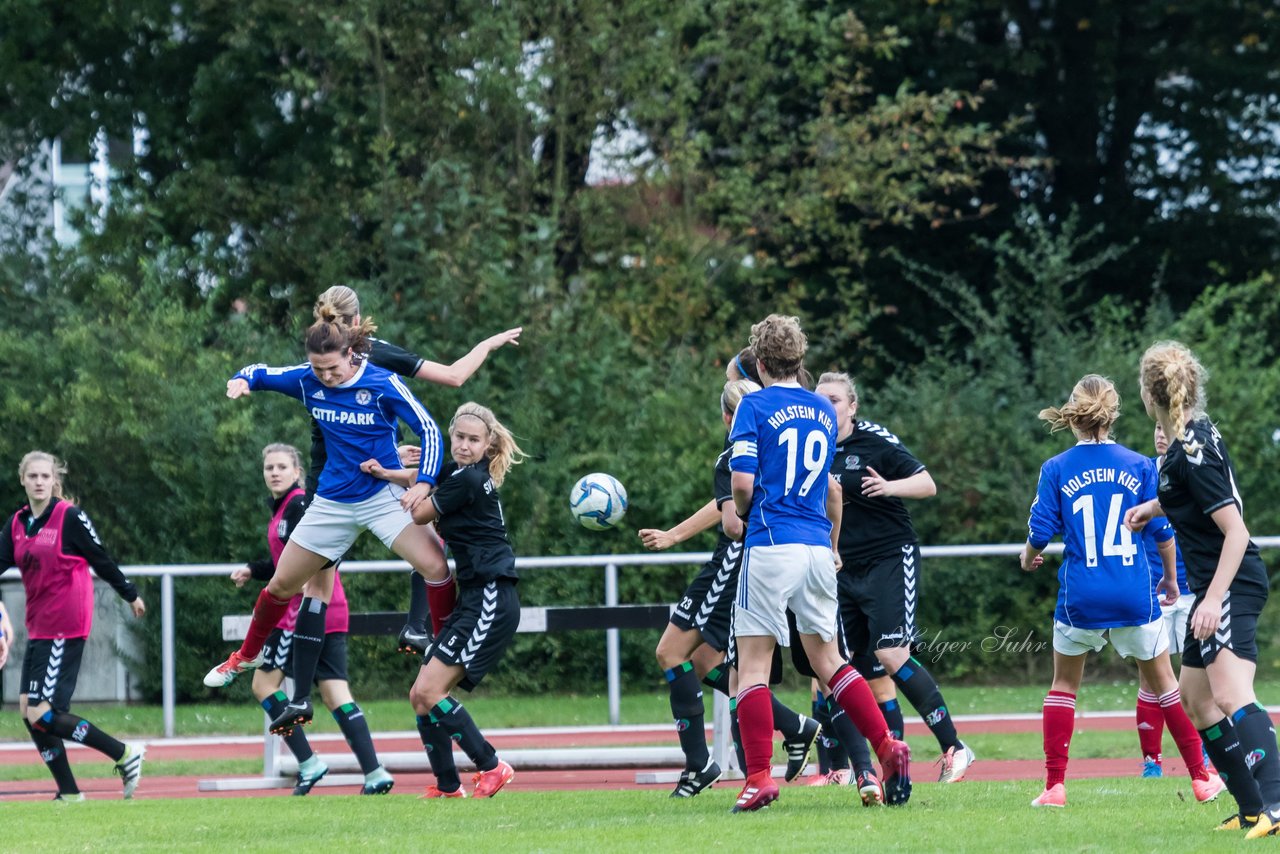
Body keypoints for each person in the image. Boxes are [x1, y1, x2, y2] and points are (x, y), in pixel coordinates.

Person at [203, 305, 450, 743]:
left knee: (436, 566)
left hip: (380, 495)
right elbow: (262, 372)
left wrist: (424, 482)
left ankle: (446, 647)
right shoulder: (308, 379)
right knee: (281, 587)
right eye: (318, 369)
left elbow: (430, 430)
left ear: (351, 354)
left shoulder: (380, 382)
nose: (325, 377)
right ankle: (243, 656)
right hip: (332, 504)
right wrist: (242, 380)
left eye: (332, 369)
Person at [727, 314, 911, 813]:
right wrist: (831, 541)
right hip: (815, 548)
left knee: (753, 669)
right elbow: (830, 488)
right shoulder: (823, 412)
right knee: (831, 662)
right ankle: (886, 746)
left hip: (770, 543)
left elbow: (742, 485)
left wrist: (745, 513)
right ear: (799, 361)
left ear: (760, 363)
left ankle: (760, 777)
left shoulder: (753, 406)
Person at [1020, 374, 1223, 809]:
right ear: (1113, 415)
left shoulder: (1055, 468)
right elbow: (1163, 531)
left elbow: (1040, 532)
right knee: (1167, 686)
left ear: (1075, 416)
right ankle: (1201, 779)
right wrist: (1169, 579)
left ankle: (1055, 786)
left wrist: (1027, 556)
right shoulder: (1139, 465)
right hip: (1134, 592)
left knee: (1062, 687)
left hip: (1082, 597)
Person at [302, 286, 522, 665]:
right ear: (358, 321)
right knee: (433, 538)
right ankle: (421, 628)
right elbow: (454, 376)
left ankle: (298, 694)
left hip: (328, 477)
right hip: (368, 477)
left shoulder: (319, 356)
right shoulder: (373, 350)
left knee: (313, 586)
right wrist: (487, 344)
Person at [1124, 342, 1280, 836]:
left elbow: (1236, 530)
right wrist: (1153, 509)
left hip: (1228, 583)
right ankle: (1252, 808)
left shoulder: (1191, 447)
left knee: (1232, 694)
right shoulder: (1183, 440)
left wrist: (1212, 600)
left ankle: (1275, 803)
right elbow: (1190, 497)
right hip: (1215, 584)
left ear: (1150, 394)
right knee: (1195, 698)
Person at [649, 378, 821, 799]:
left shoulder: (732, 454)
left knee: (672, 653)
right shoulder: (774, 445)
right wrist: (674, 535)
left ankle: (699, 764)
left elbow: (730, 516)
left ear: (728, 416)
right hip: (785, 556)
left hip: (733, 564)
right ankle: (794, 726)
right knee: (710, 662)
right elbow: (724, 501)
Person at [815, 372, 975, 784]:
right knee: (835, 669)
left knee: (891, 655)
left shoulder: (873, 439)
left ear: (852, 406)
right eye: (820, 400)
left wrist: (890, 486)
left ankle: (954, 747)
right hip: (838, 567)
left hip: (888, 556)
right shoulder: (810, 446)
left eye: (834, 399)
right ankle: (861, 771)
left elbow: (927, 484)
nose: (826, 407)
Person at [364, 402, 526, 798]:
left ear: (488, 445)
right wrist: (388, 472)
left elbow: (420, 511)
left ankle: (492, 765)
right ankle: (448, 786)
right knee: (420, 696)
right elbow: (425, 478)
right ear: (450, 436)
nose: (465, 445)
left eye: (474, 440)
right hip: (473, 596)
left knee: (431, 692)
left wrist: (392, 491)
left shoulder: (469, 480)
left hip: (490, 595)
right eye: (459, 438)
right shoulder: (458, 473)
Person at [231, 443, 394, 795]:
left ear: (297, 472)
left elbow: (314, 560)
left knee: (263, 686)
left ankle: (308, 762)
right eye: (268, 467)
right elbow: (287, 563)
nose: (273, 472)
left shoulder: (300, 504)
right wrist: (253, 569)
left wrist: (301, 595)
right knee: (335, 694)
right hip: (329, 610)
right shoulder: (285, 508)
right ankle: (375, 772)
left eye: (281, 467)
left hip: (302, 613)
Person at [0, 451, 147, 801]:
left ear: (55, 480)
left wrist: (129, 594)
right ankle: (69, 792)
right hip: (39, 624)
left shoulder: (69, 517)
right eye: (32, 476)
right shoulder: (17, 524)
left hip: (66, 622)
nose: (39, 482)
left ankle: (125, 754)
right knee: (29, 712)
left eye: (45, 477)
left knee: (43, 712)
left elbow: (100, 557)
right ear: (22, 479)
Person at [1134, 423, 1198, 778]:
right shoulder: (1142, 472)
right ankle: (1152, 762)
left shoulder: (1199, 468)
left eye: (1167, 428)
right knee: (1152, 679)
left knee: (1197, 680)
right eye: (1156, 427)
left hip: (1195, 589)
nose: (1160, 433)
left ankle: (1201, 753)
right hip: (1154, 590)